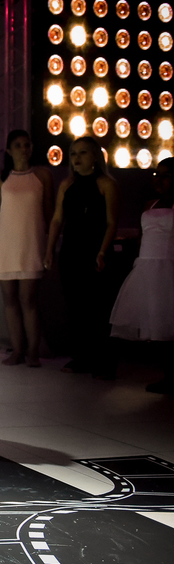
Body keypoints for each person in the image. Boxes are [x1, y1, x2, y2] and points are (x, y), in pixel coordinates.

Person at [44, 136, 120, 379]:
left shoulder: (106, 184)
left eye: (83, 152)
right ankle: (81, 357)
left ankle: (103, 359)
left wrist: (102, 251)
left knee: (98, 306)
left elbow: (111, 222)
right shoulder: (67, 185)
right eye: (73, 153)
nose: (77, 158)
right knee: (75, 306)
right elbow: (57, 219)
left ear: (95, 156)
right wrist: (50, 249)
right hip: (71, 252)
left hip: (95, 252)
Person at [0, 130, 53, 366]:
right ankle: (18, 350)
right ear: (9, 151)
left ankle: (33, 351)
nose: (24, 149)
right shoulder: (1, 178)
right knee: (9, 299)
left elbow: (49, 212)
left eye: (27, 144)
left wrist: (51, 244)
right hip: (4, 242)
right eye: (18, 145)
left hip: (31, 242)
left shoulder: (42, 175)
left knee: (29, 298)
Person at [109, 158, 174, 394]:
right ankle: (168, 375)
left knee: (167, 320)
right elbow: (142, 237)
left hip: (168, 267)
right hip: (147, 267)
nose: (159, 180)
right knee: (154, 322)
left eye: (165, 176)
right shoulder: (150, 204)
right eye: (157, 175)